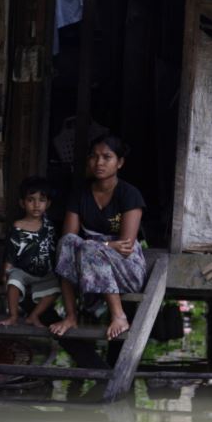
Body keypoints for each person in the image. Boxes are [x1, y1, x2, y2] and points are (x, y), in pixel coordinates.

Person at [50, 135, 146, 340]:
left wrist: (97, 246)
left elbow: (126, 246)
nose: (99, 162)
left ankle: (119, 316)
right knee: (66, 243)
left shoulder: (130, 194)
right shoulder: (80, 194)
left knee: (87, 248)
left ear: (119, 163)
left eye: (106, 157)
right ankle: (71, 315)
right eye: (93, 156)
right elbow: (69, 238)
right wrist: (106, 244)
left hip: (126, 270)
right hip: (88, 267)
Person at [0, 177, 60, 327]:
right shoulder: (18, 226)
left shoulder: (50, 227)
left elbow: (53, 250)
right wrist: (5, 272)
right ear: (22, 203)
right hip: (22, 271)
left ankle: (33, 316)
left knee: (57, 287)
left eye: (42, 200)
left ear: (48, 204)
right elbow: (11, 252)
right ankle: (13, 315)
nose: (36, 205)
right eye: (31, 200)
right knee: (13, 281)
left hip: (45, 273)